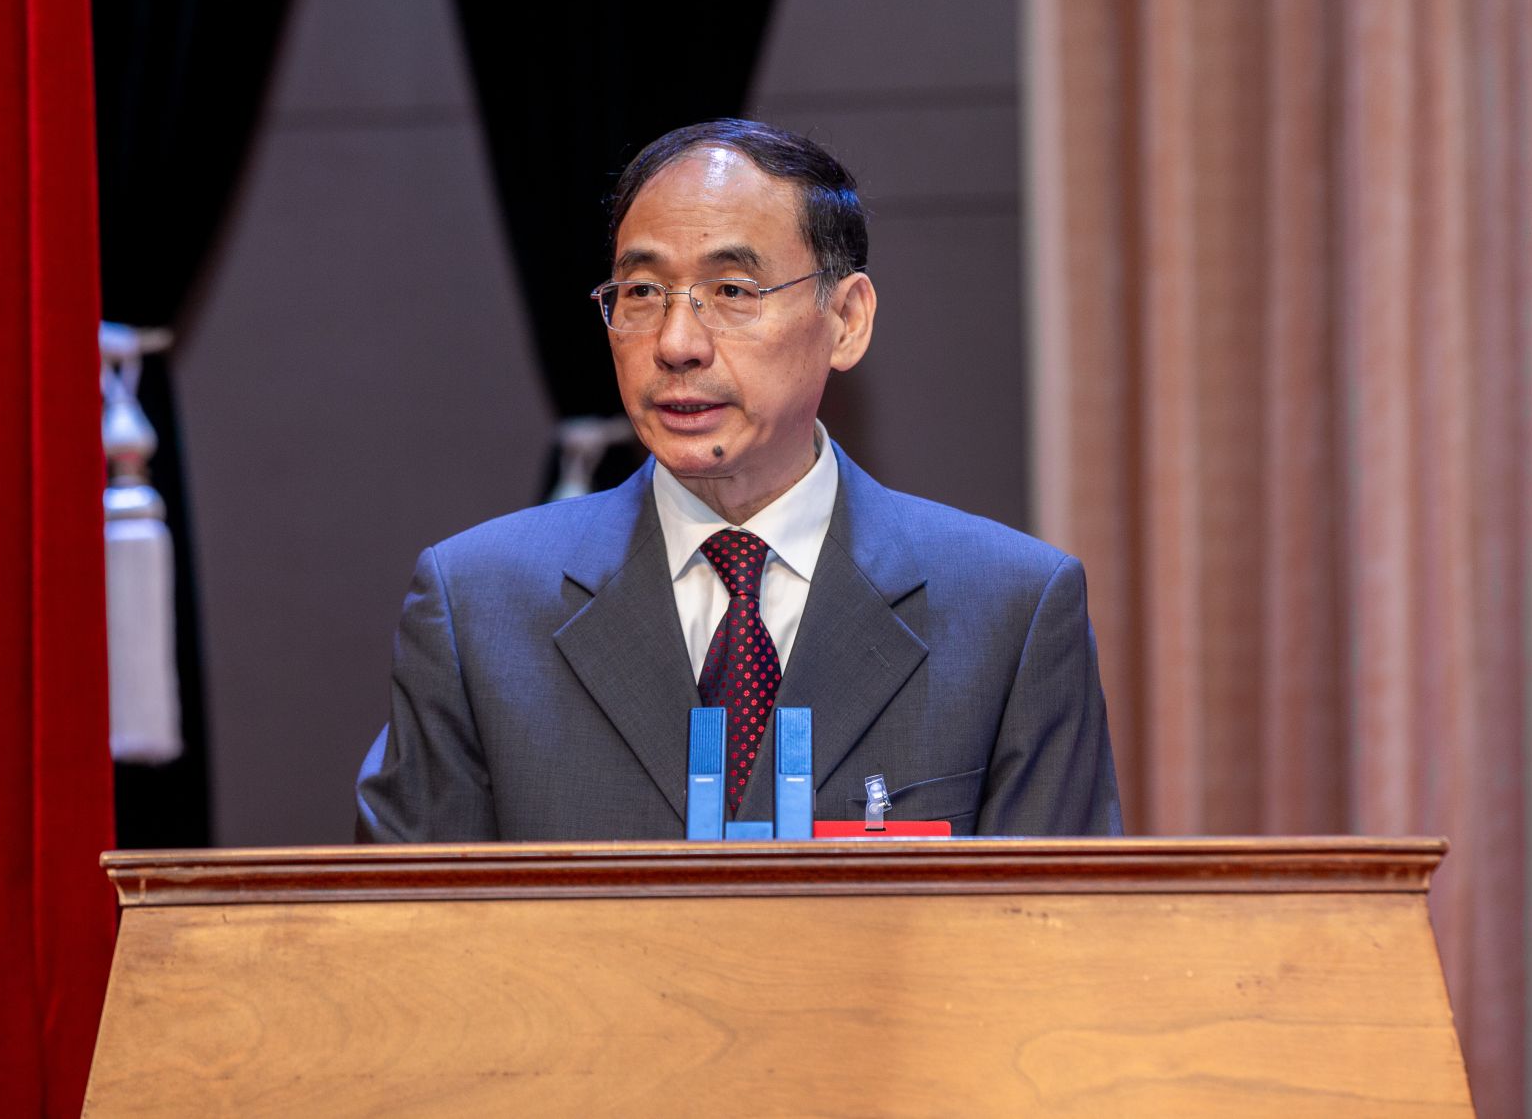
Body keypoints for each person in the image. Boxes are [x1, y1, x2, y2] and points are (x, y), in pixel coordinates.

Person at [356, 119, 1122, 841]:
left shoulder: (1009, 611)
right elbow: (401, 925)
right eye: (642, 292)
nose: (676, 342)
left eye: (731, 291)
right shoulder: (476, 608)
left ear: (847, 319)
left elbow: (1056, 928)